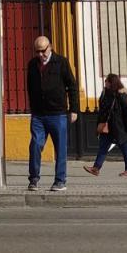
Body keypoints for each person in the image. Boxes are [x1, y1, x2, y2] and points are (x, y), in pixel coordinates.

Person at [26, 35, 79, 191]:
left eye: (43, 51)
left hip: (58, 114)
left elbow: (72, 86)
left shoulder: (61, 62)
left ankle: (60, 181)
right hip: (39, 114)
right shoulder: (32, 65)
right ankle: (34, 178)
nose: (40, 55)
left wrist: (74, 109)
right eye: (37, 51)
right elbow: (30, 87)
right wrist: (33, 107)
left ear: (50, 47)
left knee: (60, 148)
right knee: (35, 144)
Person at [83, 73, 127, 177]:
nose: (105, 82)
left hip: (119, 127)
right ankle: (96, 168)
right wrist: (99, 124)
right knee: (103, 147)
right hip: (107, 127)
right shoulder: (105, 94)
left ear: (112, 83)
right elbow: (102, 110)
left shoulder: (121, 95)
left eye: (107, 81)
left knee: (125, 147)